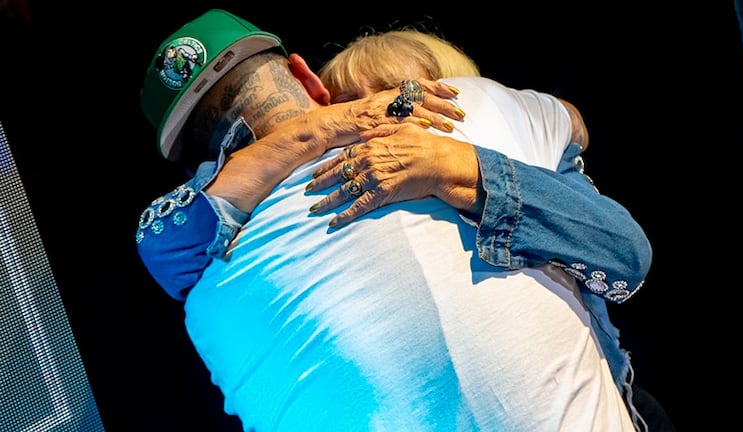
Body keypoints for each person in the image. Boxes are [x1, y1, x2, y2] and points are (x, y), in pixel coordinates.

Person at [136, 9, 653, 431]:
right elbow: (571, 123)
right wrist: (322, 130)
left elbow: (623, 248)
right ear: (310, 82)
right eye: (351, 101)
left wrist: (462, 167)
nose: (378, 113)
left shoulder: (207, 289)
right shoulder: (484, 109)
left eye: (400, 92)